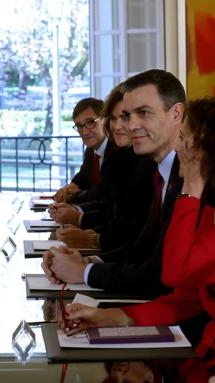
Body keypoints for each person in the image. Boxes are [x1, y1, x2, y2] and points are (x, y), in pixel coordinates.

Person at [61, 97, 215, 379]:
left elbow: (174, 273)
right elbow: (186, 299)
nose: (179, 147)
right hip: (213, 356)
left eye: (186, 139)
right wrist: (109, 317)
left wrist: (191, 185)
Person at [43, 69, 185, 298]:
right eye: (126, 116)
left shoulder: (189, 176)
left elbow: (159, 275)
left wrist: (86, 271)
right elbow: (142, 248)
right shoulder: (159, 168)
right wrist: (84, 261)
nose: (129, 125)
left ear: (176, 114)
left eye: (144, 113)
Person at [49, 84, 155, 251]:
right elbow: (84, 181)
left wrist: (86, 228)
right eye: (114, 118)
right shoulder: (100, 152)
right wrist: (71, 191)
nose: (118, 126)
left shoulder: (131, 156)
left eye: (90, 122)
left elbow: (107, 200)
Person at [53, 97, 116, 203]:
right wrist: (67, 190)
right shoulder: (90, 151)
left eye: (91, 122)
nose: (84, 132)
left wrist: (77, 194)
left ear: (105, 120)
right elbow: (81, 178)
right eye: (79, 126)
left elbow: (103, 194)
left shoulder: (117, 151)